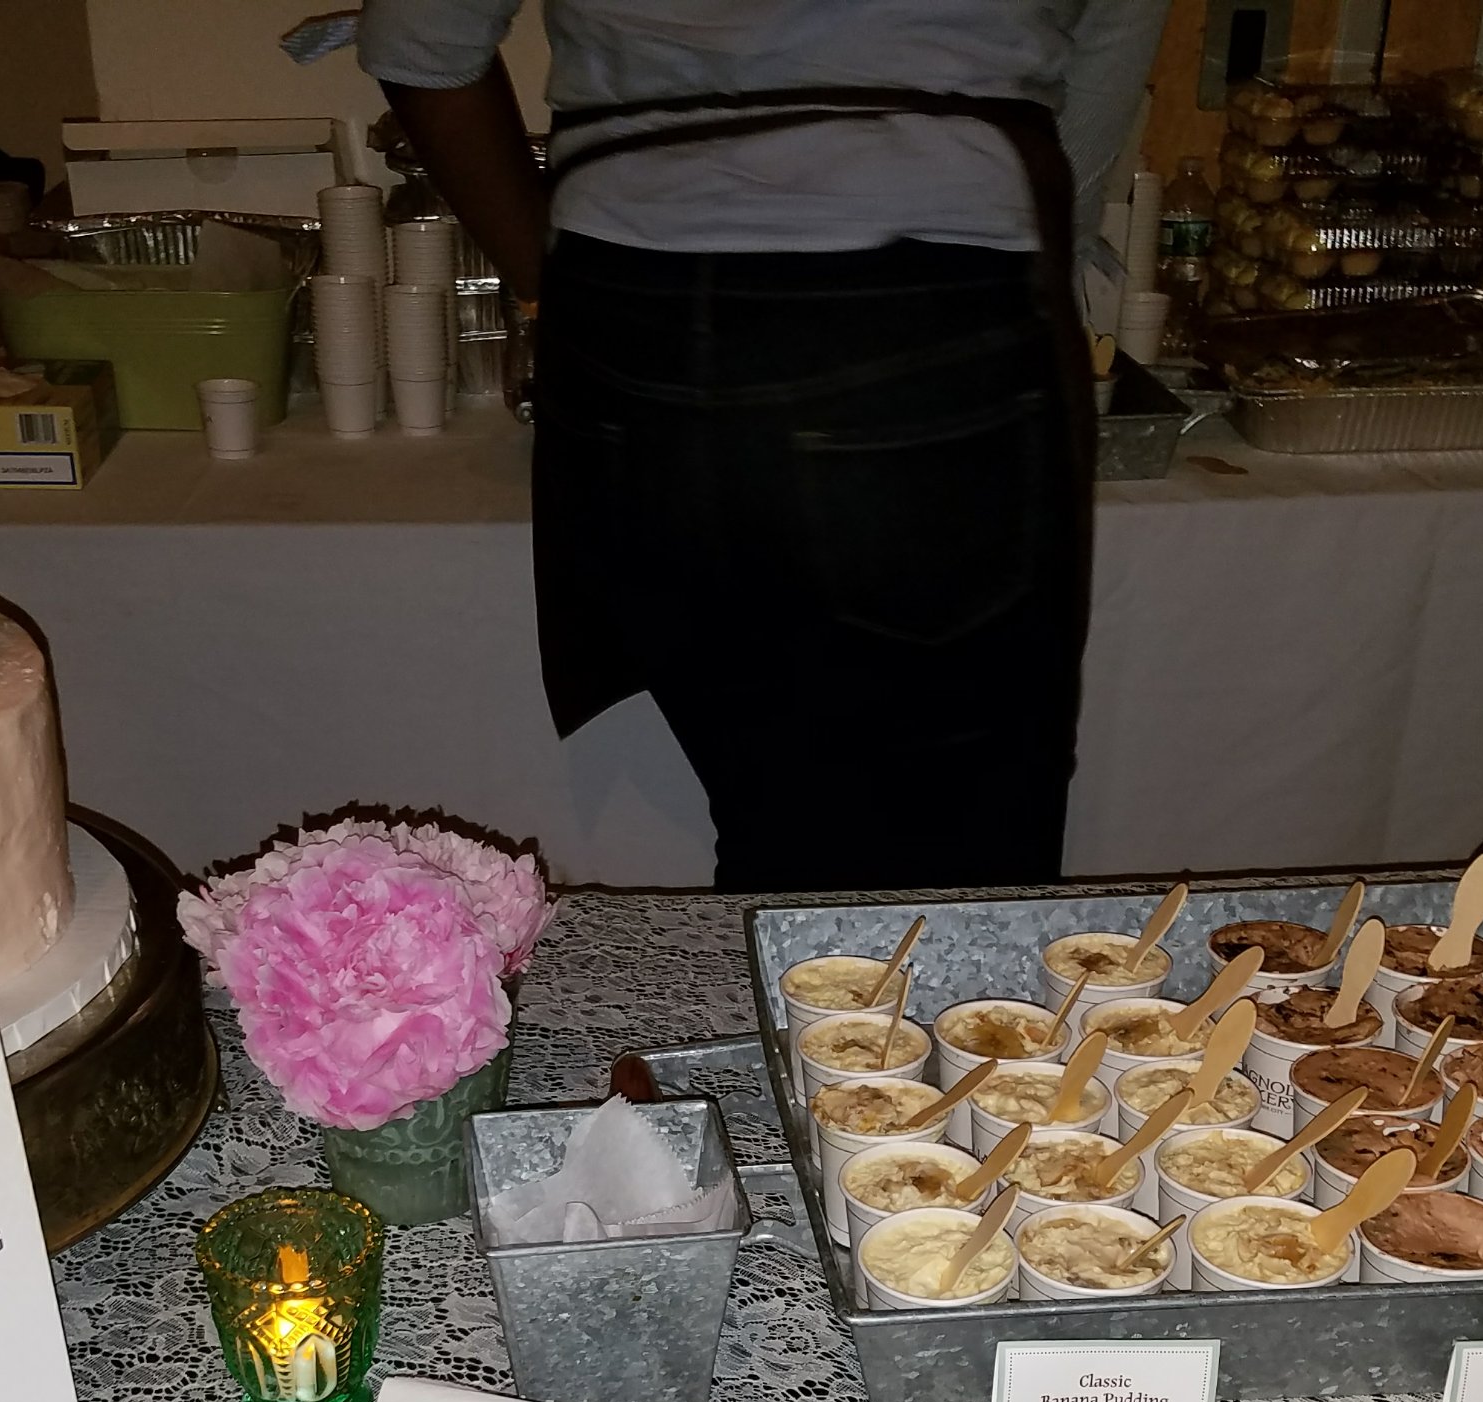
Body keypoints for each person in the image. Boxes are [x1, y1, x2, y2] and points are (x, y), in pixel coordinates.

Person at [360, 0, 1170, 891]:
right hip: (926, 289)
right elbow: (1105, 53)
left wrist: (550, 292)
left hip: (629, 305)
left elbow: (420, 45)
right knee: (959, 858)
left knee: (782, 823)